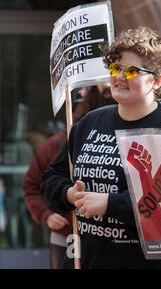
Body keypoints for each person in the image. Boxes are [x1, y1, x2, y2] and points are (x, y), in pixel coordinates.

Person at [41, 26, 161, 269]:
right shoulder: (90, 122)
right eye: (115, 68)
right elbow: (51, 179)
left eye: (132, 71)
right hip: (86, 261)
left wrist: (110, 204)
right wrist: (69, 194)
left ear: (156, 81)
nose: (119, 77)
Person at [23, 84, 116, 269]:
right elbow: (32, 185)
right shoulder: (54, 144)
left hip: (103, 236)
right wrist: (47, 215)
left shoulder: (112, 140)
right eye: (80, 114)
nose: (84, 119)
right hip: (64, 233)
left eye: (89, 112)